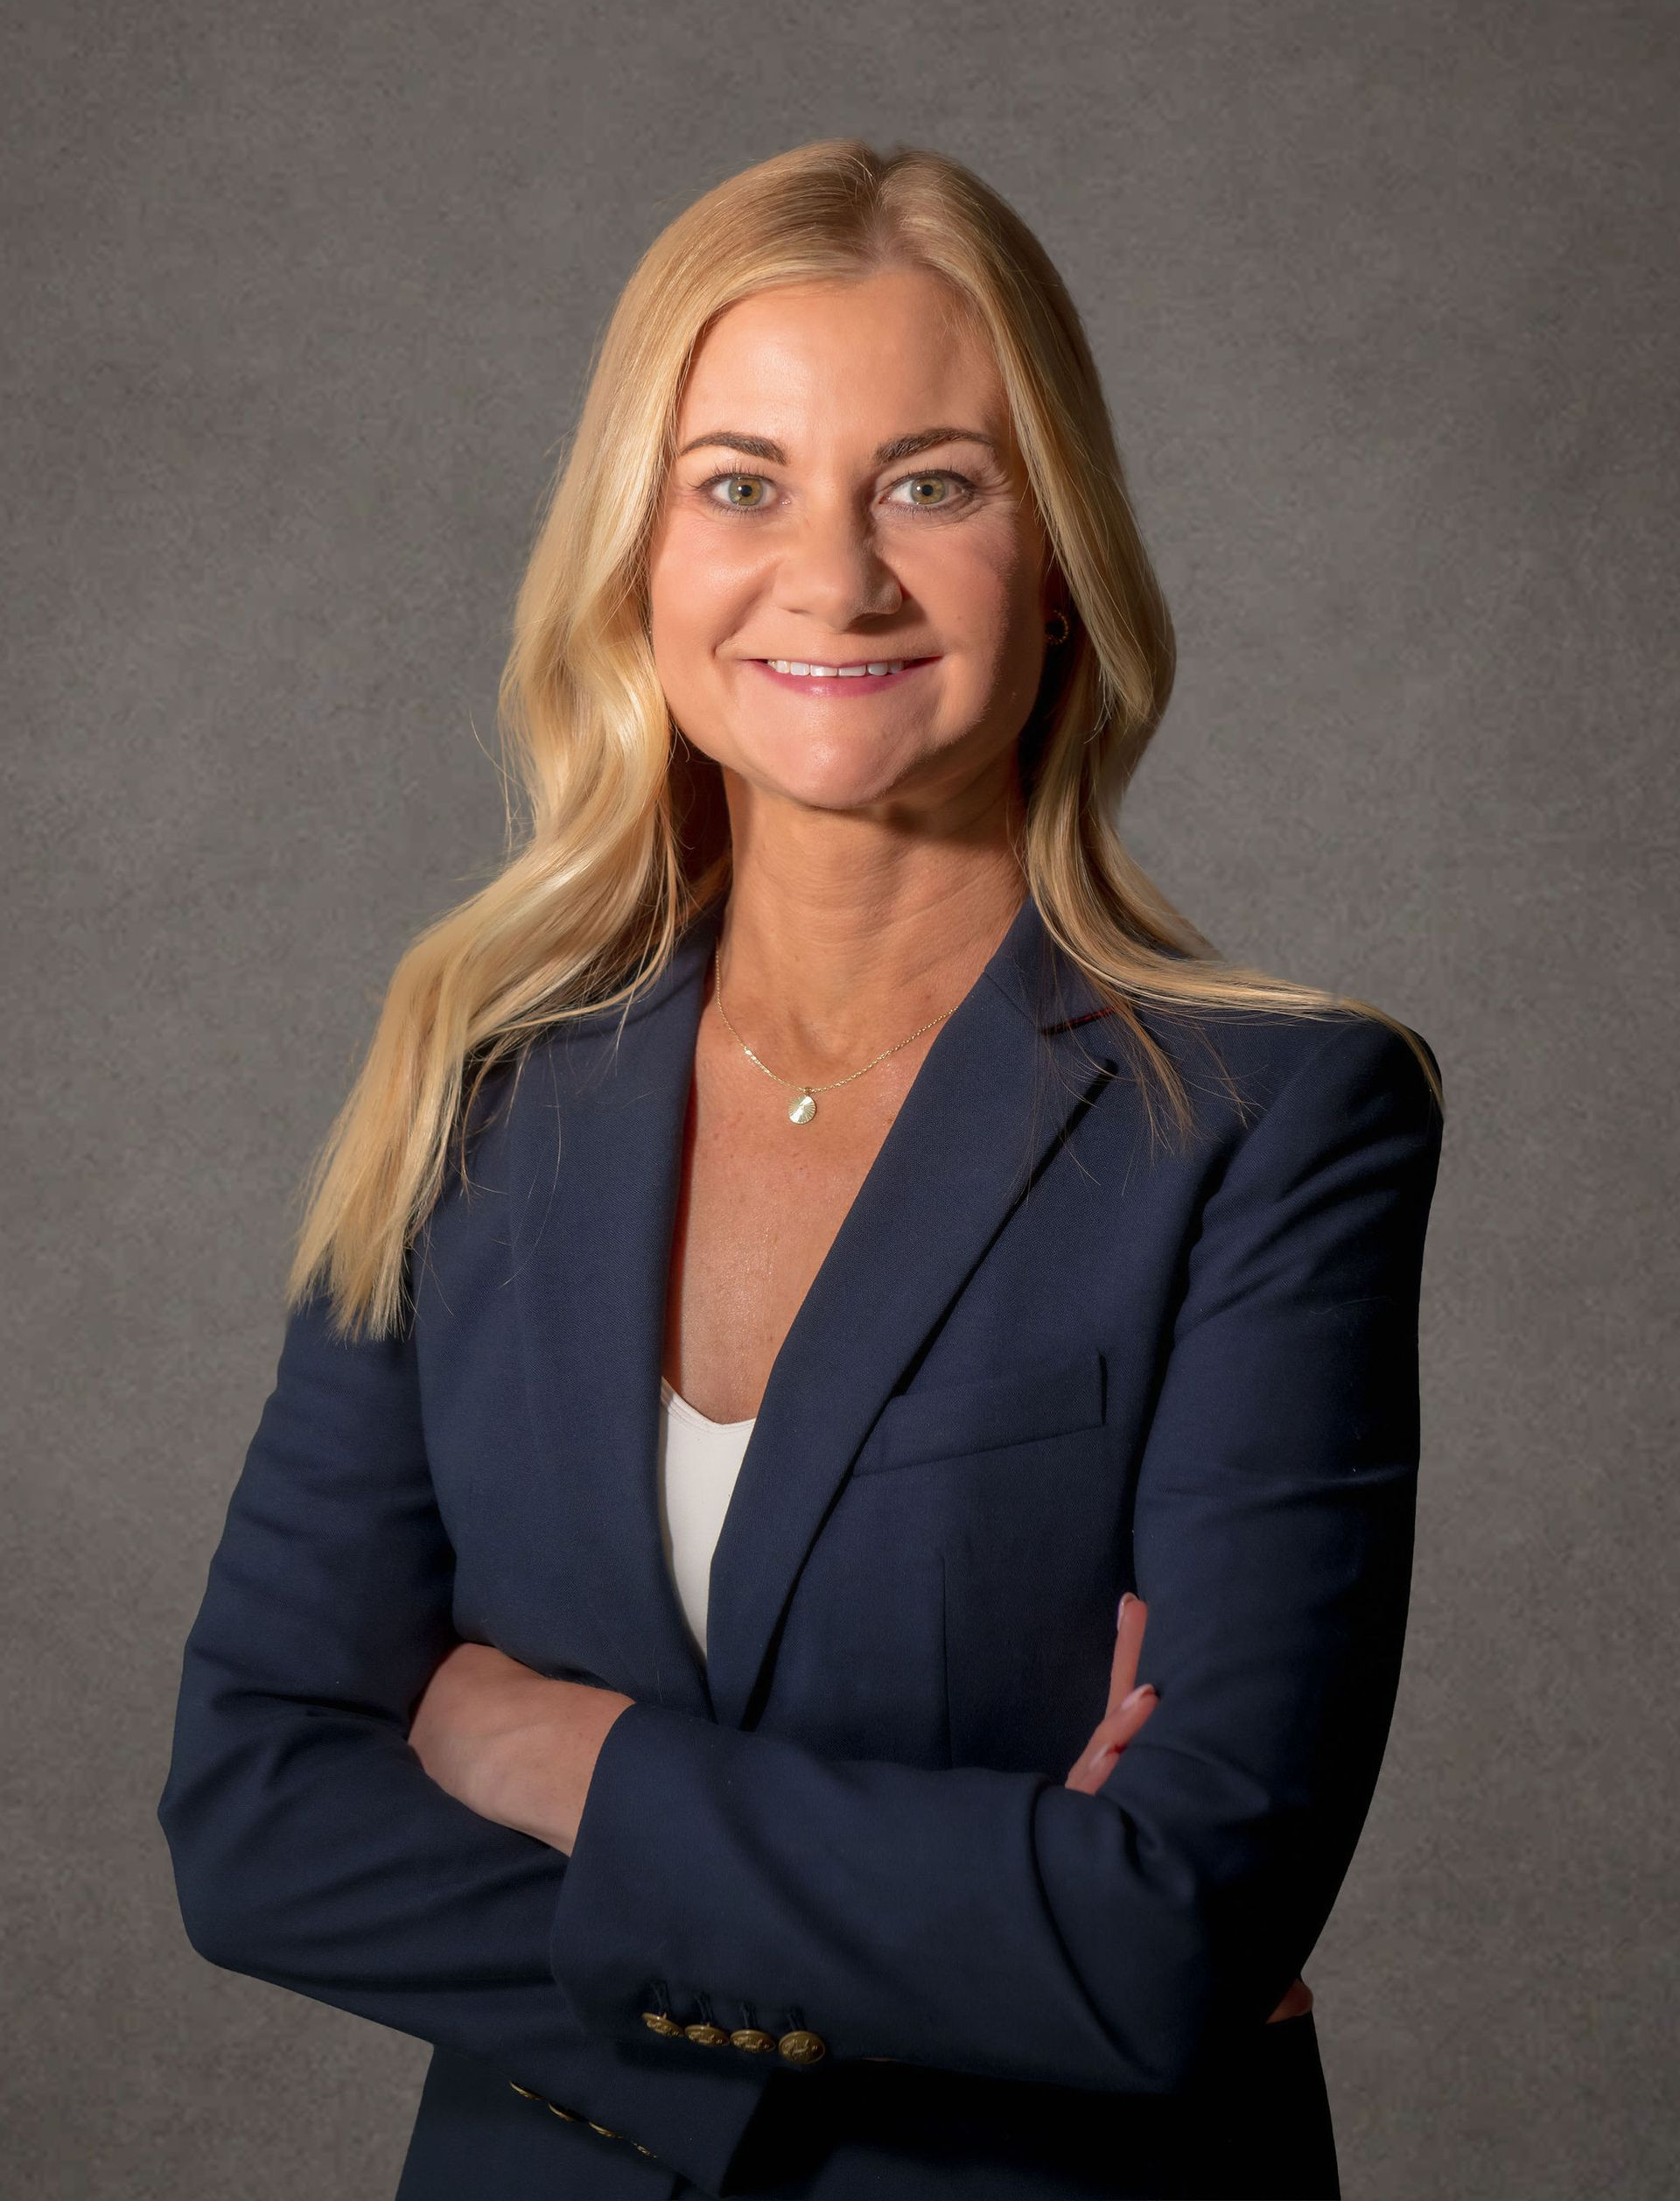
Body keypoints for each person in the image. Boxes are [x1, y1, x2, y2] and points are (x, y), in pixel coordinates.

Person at [158, 138, 1445, 2200]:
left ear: (1059, 557)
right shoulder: (475, 1097)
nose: (834, 581)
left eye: (931, 485)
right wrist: (976, 1927)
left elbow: (1170, 1931)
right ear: (638, 557)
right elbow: (257, 1828)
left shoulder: (1273, 1123)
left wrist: (559, 1754)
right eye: (739, 484)